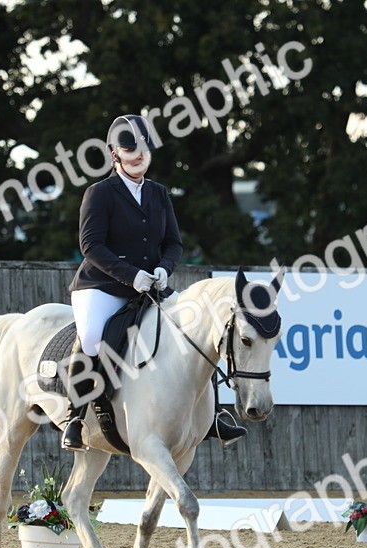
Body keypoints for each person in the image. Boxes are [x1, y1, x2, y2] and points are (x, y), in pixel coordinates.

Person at [62, 114, 246, 451]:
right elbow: (91, 245)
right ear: (114, 153)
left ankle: (212, 415)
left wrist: (164, 268)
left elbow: (173, 243)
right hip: (102, 286)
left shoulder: (159, 193)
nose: (138, 155)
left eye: (144, 149)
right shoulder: (99, 193)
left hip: (151, 284)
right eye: (130, 149)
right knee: (90, 338)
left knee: (196, 330)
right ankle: (75, 417)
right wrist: (130, 275)